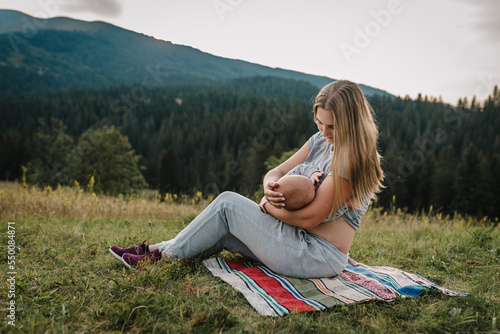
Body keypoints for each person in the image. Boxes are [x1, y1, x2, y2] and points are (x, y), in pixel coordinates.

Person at [109, 80, 384, 279]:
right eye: (319, 123)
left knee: (228, 205)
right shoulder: (320, 141)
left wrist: (267, 207)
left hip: (316, 255)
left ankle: (160, 259)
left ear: (351, 121)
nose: (324, 131)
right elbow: (275, 172)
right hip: (293, 239)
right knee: (225, 229)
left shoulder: (351, 160)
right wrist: (268, 185)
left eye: (332, 126)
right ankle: (156, 250)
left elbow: (308, 219)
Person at [259, 164, 325, 212]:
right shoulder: (307, 208)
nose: (314, 186)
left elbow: (301, 168)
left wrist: (312, 173)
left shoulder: (292, 177)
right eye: (314, 190)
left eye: (308, 180)